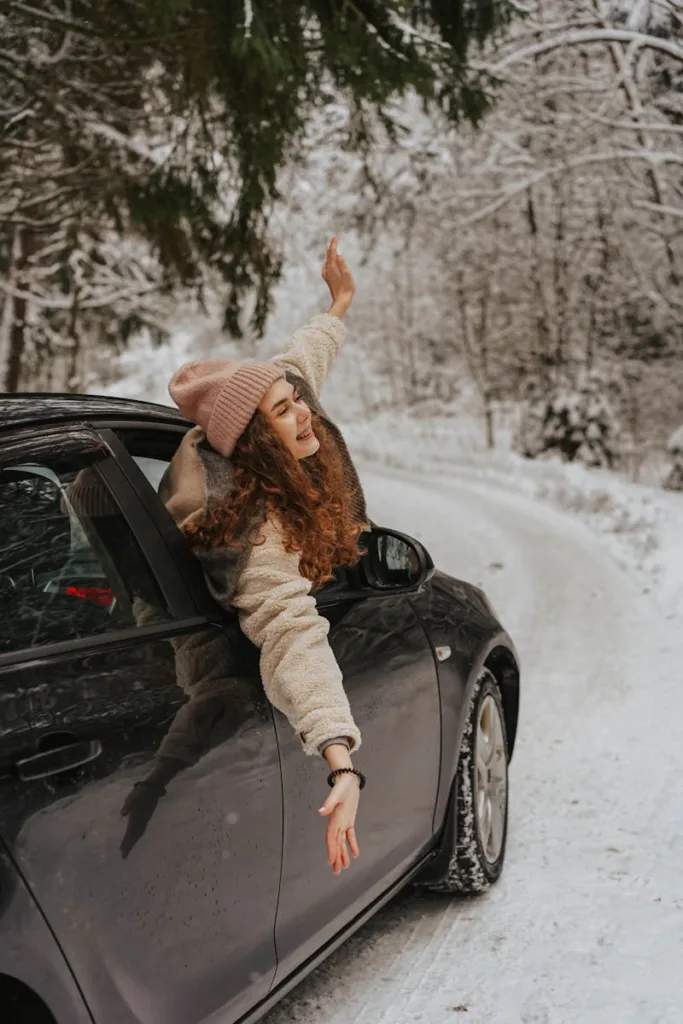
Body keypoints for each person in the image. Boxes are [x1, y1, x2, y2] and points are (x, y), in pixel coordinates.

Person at [160, 237, 369, 876]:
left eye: (294, 398)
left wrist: (339, 302)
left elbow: (302, 359)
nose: (304, 411)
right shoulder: (253, 530)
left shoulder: (273, 411)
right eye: (284, 410)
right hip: (197, 673)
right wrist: (341, 757)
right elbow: (289, 633)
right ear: (255, 439)